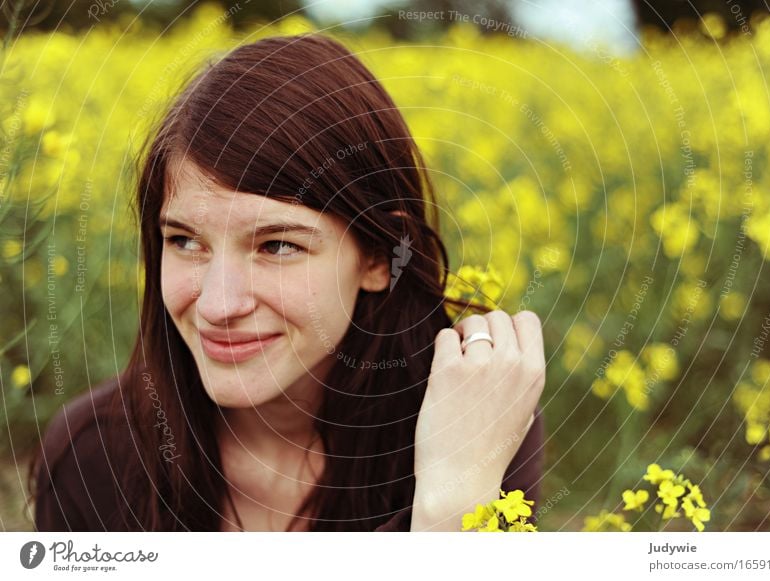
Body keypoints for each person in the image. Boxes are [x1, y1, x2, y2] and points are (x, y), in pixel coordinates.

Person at [28, 33, 546, 532]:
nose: (217, 304)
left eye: (277, 246)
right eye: (185, 240)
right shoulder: (89, 460)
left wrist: (452, 502)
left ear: (381, 257)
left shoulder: (474, 421)